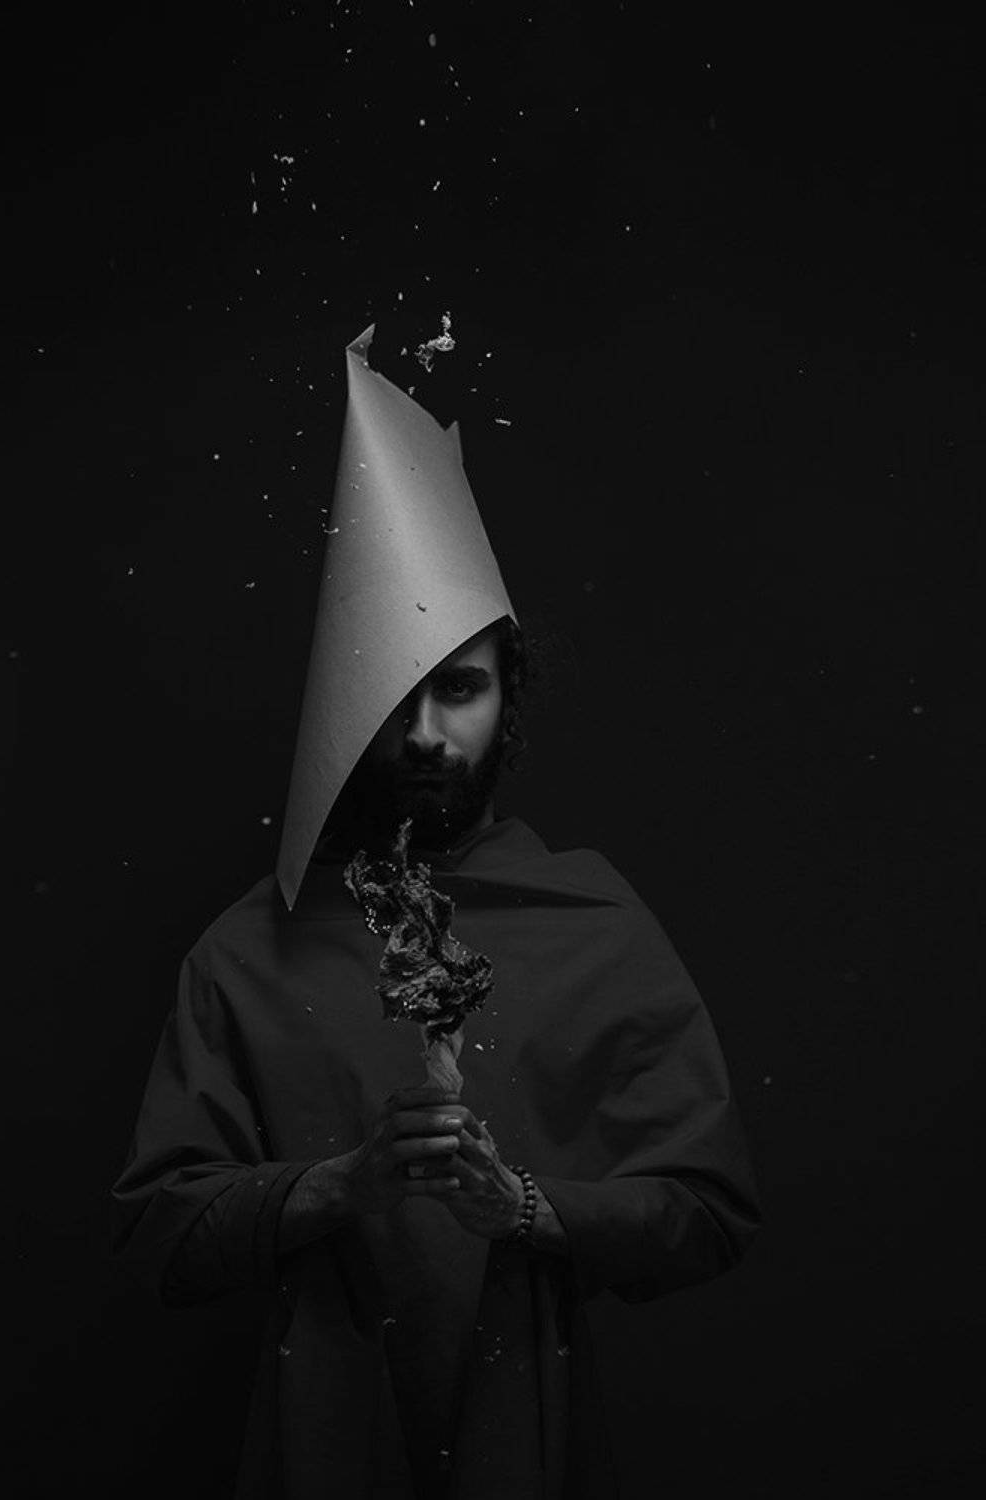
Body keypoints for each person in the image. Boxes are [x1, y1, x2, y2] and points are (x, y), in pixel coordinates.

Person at [111, 327, 761, 1498]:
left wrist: (528, 1209)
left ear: (509, 697)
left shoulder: (596, 924)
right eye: (387, 691)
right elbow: (159, 1235)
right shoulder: (246, 951)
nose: (421, 734)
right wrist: (335, 1184)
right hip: (321, 1443)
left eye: (458, 688)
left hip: (532, 1441)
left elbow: (709, 1213)